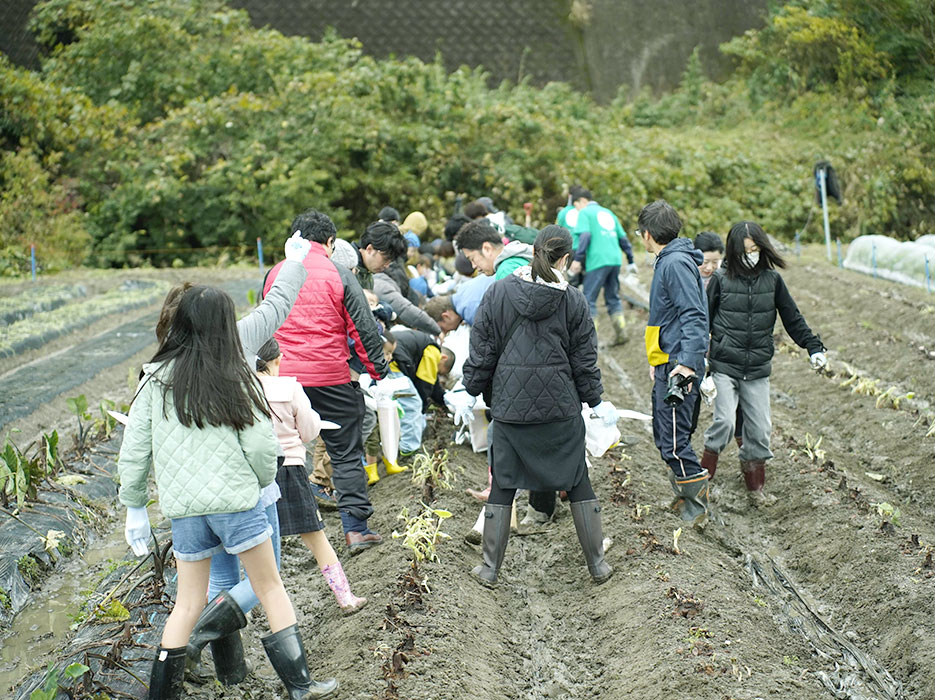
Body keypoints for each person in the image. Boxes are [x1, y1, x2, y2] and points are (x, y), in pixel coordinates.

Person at [119, 285, 338, 700]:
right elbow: (261, 448)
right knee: (270, 587)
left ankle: (160, 695)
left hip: (184, 511)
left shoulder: (154, 379)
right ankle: (301, 687)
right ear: (224, 326)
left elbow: (135, 450)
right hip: (238, 504)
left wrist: (134, 506)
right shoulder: (237, 375)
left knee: (187, 603)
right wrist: (258, 482)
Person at [462, 224, 616, 586]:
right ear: (564, 259)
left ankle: (489, 569)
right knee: (578, 480)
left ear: (533, 252)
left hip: (510, 411)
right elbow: (583, 360)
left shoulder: (498, 292)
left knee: (504, 483)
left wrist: (469, 390)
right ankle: (597, 566)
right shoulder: (573, 300)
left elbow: (482, 352)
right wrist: (595, 402)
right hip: (560, 409)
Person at [263, 209, 388, 554]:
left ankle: (275, 535)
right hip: (330, 378)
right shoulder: (339, 275)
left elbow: (266, 325)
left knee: (282, 453)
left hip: (282, 378)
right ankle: (356, 529)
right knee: (346, 452)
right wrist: (376, 371)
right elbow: (362, 329)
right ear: (330, 243)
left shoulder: (275, 273)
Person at [702, 221, 826, 500]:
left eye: (756, 249)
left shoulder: (772, 281)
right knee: (723, 422)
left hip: (757, 367)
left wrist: (813, 347)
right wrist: (702, 368)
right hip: (725, 364)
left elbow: (792, 317)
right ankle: (700, 483)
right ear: (734, 252)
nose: (751, 255)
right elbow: (704, 322)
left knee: (759, 430)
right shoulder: (721, 279)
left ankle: (756, 490)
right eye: (745, 251)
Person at [255, 338, 367, 613]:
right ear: (277, 360)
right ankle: (345, 598)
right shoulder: (290, 388)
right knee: (316, 536)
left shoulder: (239, 389)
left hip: (254, 474)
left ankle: (255, 609)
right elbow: (308, 431)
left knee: (257, 548)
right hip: (290, 468)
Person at [638, 200, 709, 524]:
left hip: (680, 366)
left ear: (647, 235)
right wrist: (658, 359)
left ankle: (696, 509)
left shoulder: (675, 264)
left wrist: (687, 364)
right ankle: (686, 499)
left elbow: (693, 315)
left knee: (675, 439)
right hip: (669, 361)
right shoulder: (670, 261)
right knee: (667, 433)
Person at [568, 189, 636, 345]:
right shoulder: (608, 213)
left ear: (582, 201)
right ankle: (621, 333)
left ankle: (590, 341)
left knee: (589, 298)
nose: (577, 209)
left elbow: (585, 236)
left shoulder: (585, 213)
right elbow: (623, 238)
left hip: (597, 260)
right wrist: (630, 259)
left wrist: (578, 259)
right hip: (614, 259)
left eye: (576, 205)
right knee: (613, 297)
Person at [456, 218, 532, 280]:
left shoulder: (505, 272)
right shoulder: (517, 258)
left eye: (472, 259)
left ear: (487, 249)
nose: (473, 266)